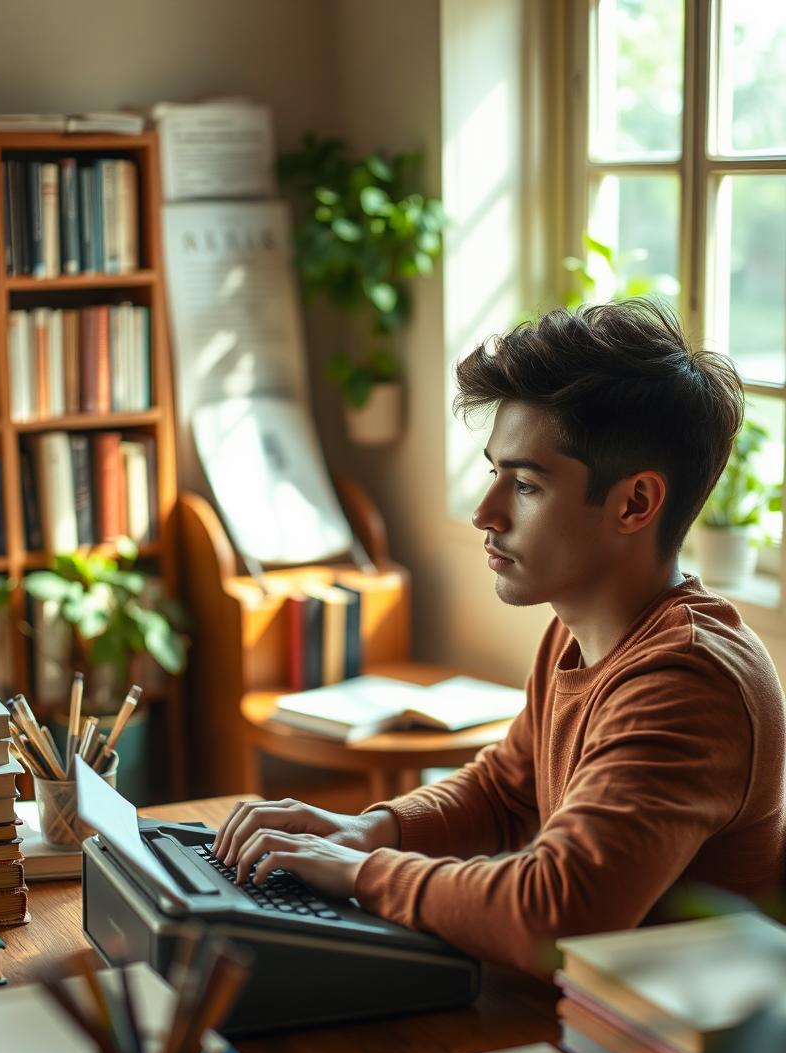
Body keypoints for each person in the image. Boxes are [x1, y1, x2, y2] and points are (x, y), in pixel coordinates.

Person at [212, 299, 786, 973]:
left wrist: (362, 870)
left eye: (527, 485)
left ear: (635, 503)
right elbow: (505, 791)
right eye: (495, 472)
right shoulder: (579, 632)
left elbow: (554, 911)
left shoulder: (688, 681)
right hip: (587, 1022)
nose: (487, 513)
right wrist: (369, 828)